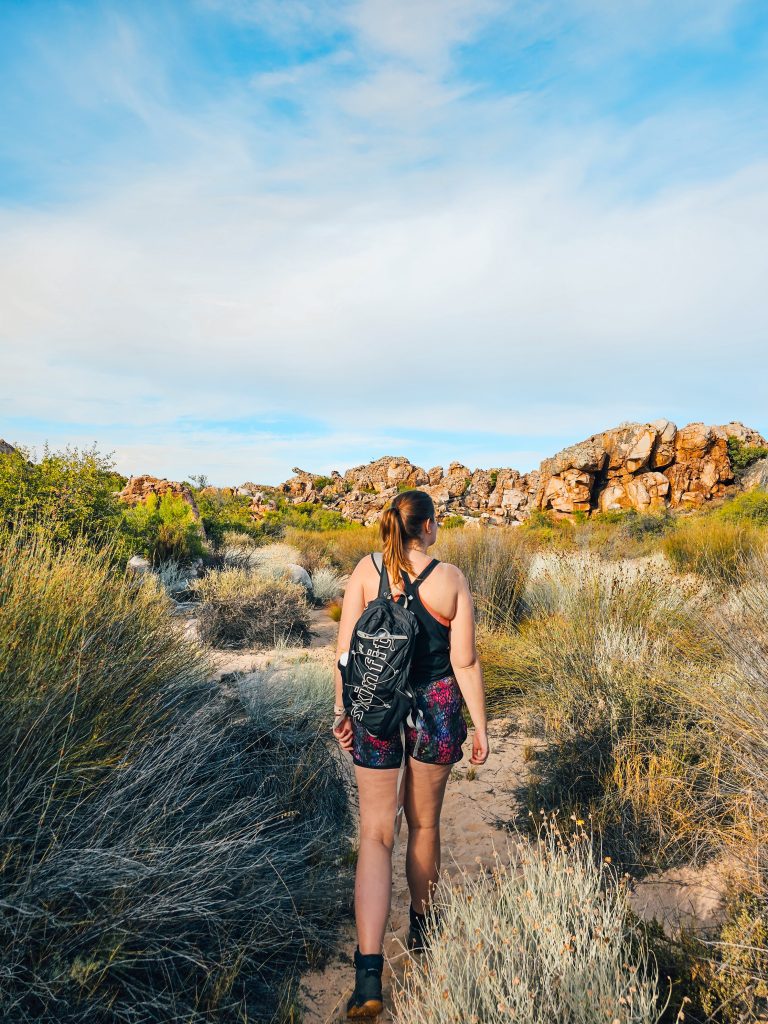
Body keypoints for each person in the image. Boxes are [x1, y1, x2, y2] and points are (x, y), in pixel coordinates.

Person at [332, 489, 489, 1019]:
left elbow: (346, 652)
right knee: (424, 825)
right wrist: (482, 726)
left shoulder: (365, 570)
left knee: (376, 834)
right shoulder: (450, 579)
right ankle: (423, 935)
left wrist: (342, 711)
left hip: (375, 709)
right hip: (434, 709)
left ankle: (368, 977)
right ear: (426, 527)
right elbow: (464, 662)